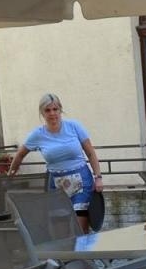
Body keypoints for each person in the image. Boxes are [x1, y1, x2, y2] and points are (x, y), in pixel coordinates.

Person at [7, 93, 103, 233]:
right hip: (57, 186)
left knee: (80, 229)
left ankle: (84, 254)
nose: (52, 113)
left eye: (55, 109)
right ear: (42, 113)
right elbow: (20, 154)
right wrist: (11, 175)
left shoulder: (74, 126)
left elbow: (90, 153)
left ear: (60, 110)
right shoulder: (37, 135)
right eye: (47, 110)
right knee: (61, 231)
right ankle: (65, 255)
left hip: (82, 183)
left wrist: (98, 177)